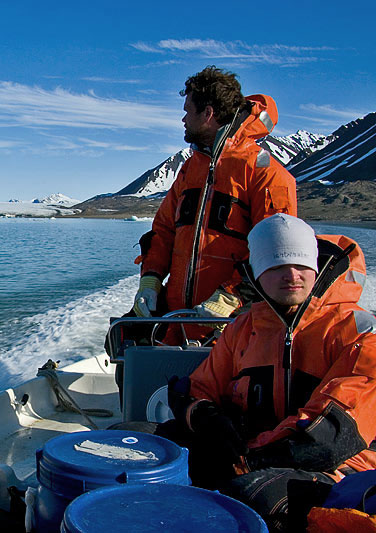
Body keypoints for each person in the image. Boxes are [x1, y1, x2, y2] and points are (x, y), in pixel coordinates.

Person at [167, 214, 376, 531]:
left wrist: (247, 458)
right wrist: (207, 418)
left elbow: (330, 435)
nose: (292, 275)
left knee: (254, 496)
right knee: (151, 445)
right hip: (253, 452)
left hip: (343, 468)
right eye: (276, 266)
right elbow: (197, 389)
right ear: (256, 274)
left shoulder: (360, 332)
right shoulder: (244, 327)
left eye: (302, 264)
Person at [131, 65, 298, 342]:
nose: (183, 118)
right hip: (179, 318)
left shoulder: (265, 173)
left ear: (208, 113)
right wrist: (150, 280)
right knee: (127, 347)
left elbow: (276, 252)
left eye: (187, 110)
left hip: (235, 324)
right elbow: (162, 232)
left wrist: (230, 298)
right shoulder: (189, 171)